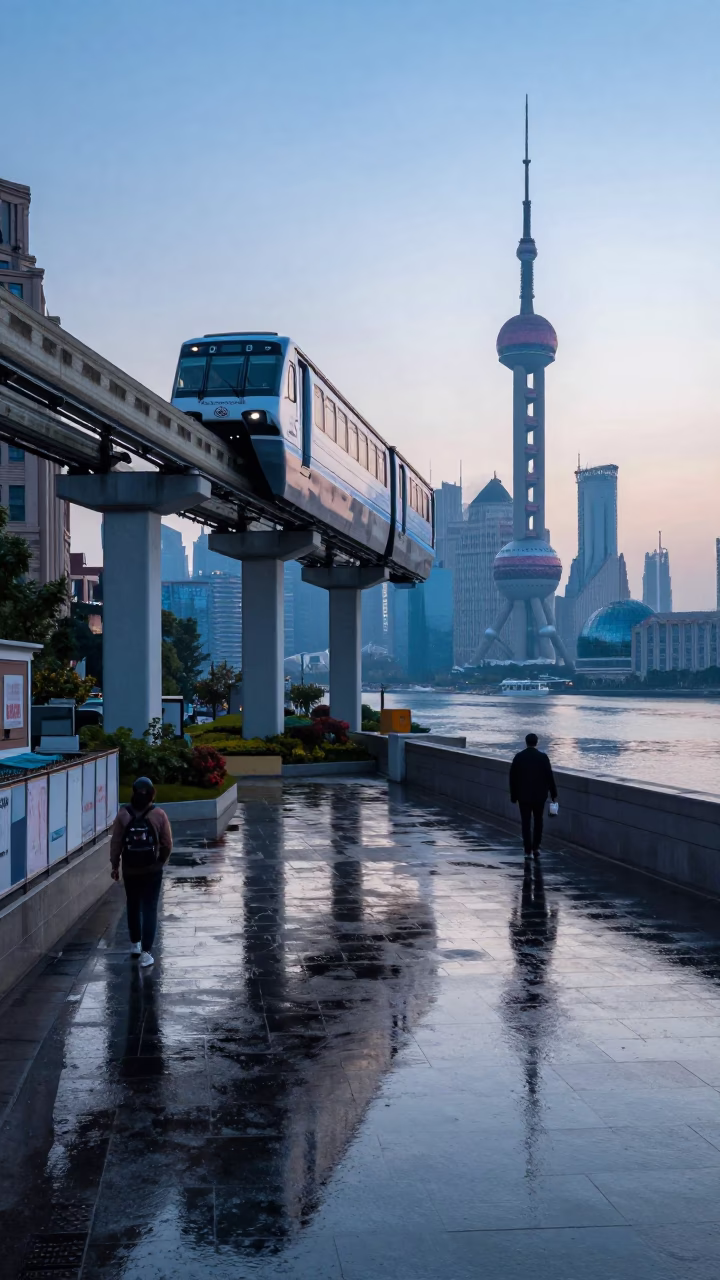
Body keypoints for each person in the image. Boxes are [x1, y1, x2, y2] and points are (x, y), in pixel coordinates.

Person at [110, 775, 172, 967]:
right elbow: (167, 843)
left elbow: (116, 843)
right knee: (150, 908)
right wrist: (160, 862)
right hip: (151, 869)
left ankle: (135, 944)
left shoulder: (123, 814)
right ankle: (146, 953)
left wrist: (115, 865)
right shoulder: (159, 814)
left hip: (130, 869)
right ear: (152, 793)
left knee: (133, 905)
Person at [509, 733, 557, 858]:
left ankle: (527, 849)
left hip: (523, 796)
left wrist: (513, 796)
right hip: (539, 796)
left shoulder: (519, 757)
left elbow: (512, 778)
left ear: (526, 742)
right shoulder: (543, 757)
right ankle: (536, 847)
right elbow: (549, 777)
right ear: (536, 742)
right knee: (538, 821)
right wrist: (553, 793)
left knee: (525, 822)